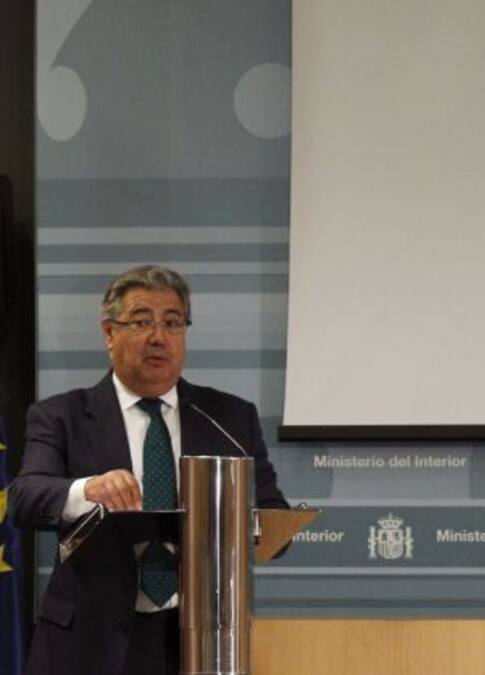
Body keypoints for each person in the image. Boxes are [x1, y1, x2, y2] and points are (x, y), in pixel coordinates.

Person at [9, 265, 287, 675]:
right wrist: (88, 490)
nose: (159, 336)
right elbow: (24, 497)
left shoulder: (228, 417)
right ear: (109, 332)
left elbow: (271, 514)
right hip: (87, 641)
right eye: (141, 322)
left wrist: (250, 526)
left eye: (172, 323)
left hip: (197, 638)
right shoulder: (61, 415)